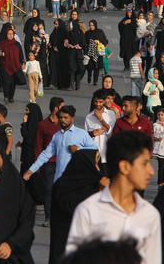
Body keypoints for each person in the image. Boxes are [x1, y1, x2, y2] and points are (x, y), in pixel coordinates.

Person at [66, 131, 161, 264]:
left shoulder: (150, 215)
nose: (151, 171)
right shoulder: (88, 210)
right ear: (124, 166)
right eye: (144, 163)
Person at [49, 150, 107, 264]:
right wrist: (100, 192)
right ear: (84, 165)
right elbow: (75, 209)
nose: (98, 168)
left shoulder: (93, 187)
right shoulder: (62, 186)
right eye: (95, 164)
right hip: (65, 247)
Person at [25, 105, 98, 183]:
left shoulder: (81, 133)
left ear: (72, 119)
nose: (62, 120)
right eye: (61, 117)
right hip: (60, 179)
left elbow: (94, 150)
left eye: (65, 118)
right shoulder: (57, 136)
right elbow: (46, 155)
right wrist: (31, 170)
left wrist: (78, 149)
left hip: (76, 179)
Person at [35, 97, 64, 226]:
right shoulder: (42, 125)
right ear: (55, 109)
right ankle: (49, 215)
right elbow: (38, 144)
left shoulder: (65, 123)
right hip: (48, 162)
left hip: (63, 161)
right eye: (62, 107)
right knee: (48, 188)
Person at [85, 91, 117, 165]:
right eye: (96, 102)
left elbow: (113, 132)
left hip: (106, 155)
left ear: (104, 101)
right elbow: (86, 136)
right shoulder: (89, 117)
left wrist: (101, 119)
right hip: (93, 155)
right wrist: (93, 133)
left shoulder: (111, 114)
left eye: (100, 102)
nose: (98, 104)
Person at [0, 27, 25, 104]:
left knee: (13, 82)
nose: (11, 36)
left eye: (12, 34)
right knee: (6, 82)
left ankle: (11, 97)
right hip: (5, 66)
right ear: (6, 35)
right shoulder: (2, 44)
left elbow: (21, 54)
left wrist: (23, 63)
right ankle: (6, 97)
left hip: (15, 66)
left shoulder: (17, 44)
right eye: (9, 34)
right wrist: (0, 54)